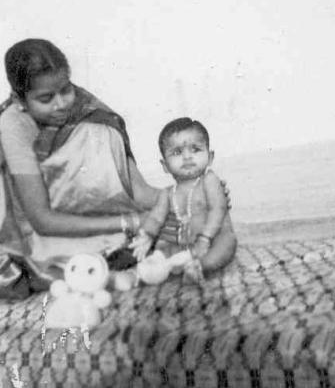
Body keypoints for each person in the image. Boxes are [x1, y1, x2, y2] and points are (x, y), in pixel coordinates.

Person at [0, 39, 229, 298]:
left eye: (66, 90)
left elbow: (139, 192)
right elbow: (41, 221)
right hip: (44, 237)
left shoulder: (87, 111)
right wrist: (130, 222)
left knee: (183, 229)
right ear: (19, 98)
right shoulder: (12, 125)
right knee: (89, 267)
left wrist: (193, 195)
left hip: (98, 220)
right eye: (46, 98)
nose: (61, 103)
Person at [130, 117, 237, 284]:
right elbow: (156, 218)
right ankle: (168, 266)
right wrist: (147, 235)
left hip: (215, 237)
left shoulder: (209, 180)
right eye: (177, 152)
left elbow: (218, 209)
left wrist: (205, 238)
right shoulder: (167, 193)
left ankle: (200, 266)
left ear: (209, 157)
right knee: (161, 251)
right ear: (165, 165)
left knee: (224, 247)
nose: (187, 157)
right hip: (185, 244)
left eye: (195, 149)